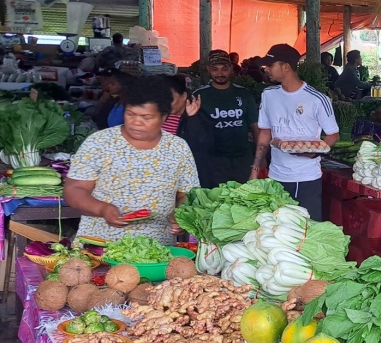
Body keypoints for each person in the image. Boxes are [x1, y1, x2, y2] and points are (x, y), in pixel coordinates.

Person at [64, 76, 200, 244]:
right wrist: (102, 209)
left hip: (157, 248)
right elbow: (74, 189)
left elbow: (187, 194)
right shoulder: (100, 143)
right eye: (130, 114)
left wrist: (181, 214)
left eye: (147, 117)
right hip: (99, 245)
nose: (136, 122)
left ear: (164, 117)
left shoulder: (178, 148)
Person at [254, 44, 339, 219]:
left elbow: (333, 135)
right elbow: (265, 132)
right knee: (277, 227)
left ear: (285, 67)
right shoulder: (268, 95)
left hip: (306, 178)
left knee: (307, 228)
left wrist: (313, 153)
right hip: (276, 176)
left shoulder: (317, 99)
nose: (266, 69)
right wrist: (255, 168)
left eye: (270, 65)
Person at [180, 50, 261, 188]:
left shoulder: (244, 94)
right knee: (216, 197)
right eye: (215, 69)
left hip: (242, 158)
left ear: (231, 68)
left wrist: (260, 158)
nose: (220, 73)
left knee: (244, 196)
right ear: (208, 69)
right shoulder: (200, 95)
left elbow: (255, 126)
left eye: (224, 69)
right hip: (212, 160)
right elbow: (192, 130)